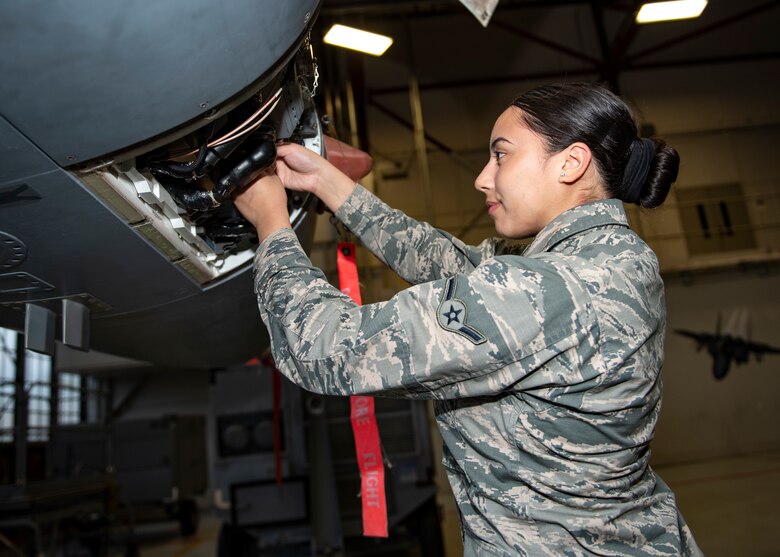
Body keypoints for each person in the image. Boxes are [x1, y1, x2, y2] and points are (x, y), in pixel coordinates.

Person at [234, 82, 703, 556]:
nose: (483, 178)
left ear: (571, 162)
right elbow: (452, 265)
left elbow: (328, 348)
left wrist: (270, 223)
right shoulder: (613, 260)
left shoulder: (548, 291)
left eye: (501, 155)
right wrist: (329, 184)